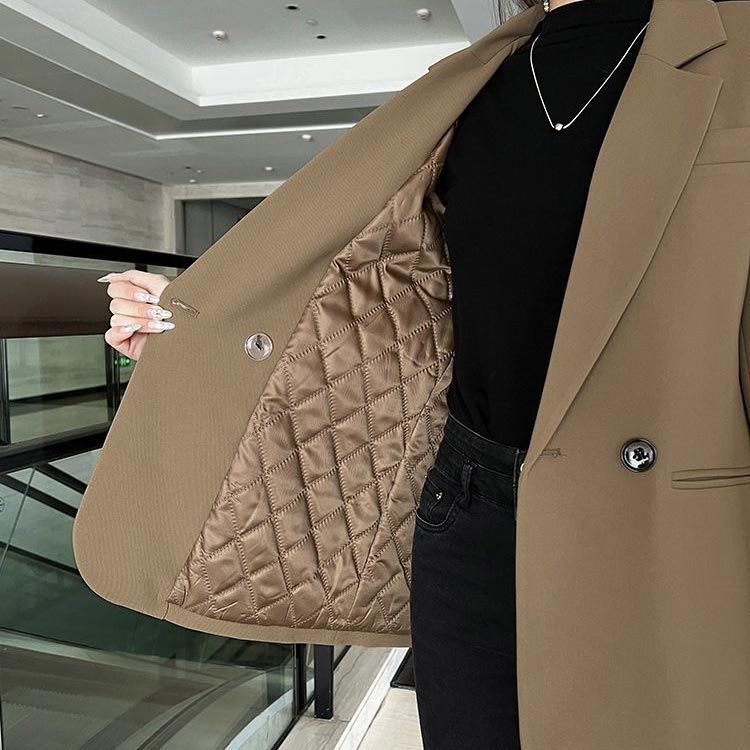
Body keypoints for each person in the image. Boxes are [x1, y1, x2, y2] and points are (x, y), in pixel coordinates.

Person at [90, 0, 750, 747]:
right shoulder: (475, 80)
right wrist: (205, 330)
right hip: (467, 510)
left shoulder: (732, 43)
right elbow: (406, 306)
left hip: (664, 520)